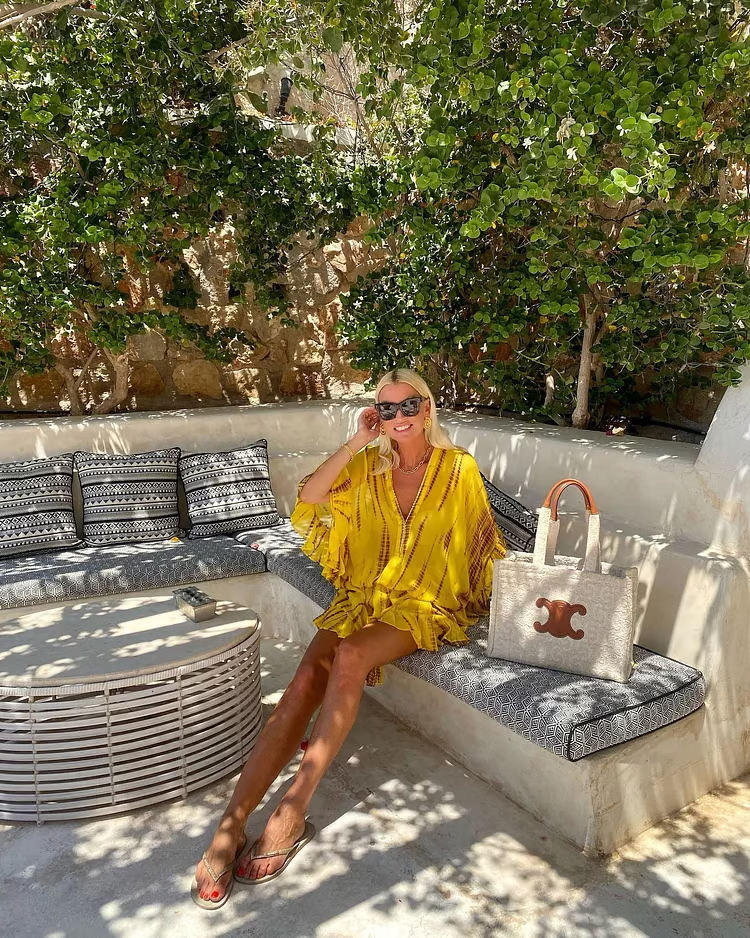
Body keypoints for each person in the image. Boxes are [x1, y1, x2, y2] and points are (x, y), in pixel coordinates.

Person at [192, 367, 506, 909]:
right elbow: (311, 497)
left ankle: (293, 809)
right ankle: (231, 823)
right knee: (303, 682)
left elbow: (476, 544)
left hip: (424, 602)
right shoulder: (368, 464)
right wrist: (358, 440)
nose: (399, 417)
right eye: (387, 408)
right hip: (365, 596)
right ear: (376, 415)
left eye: (409, 405)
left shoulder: (459, 468)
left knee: (353, 653)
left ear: (427, 409)